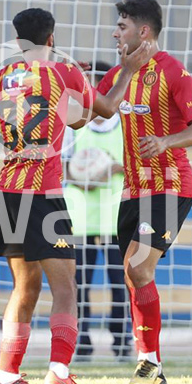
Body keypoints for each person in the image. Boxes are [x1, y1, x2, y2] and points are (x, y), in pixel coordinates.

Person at [0, 8, 150, 384]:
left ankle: (6, 376)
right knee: (65, 286)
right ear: (52, 38)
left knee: (24, 286)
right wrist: (128, 70)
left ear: (17, 42)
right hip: (43, 194)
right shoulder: (64, 72)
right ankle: (59, 372)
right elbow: (106, 110)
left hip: (7, 192)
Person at [100, 0, 192, 384]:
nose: (115, 33)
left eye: (122, 27)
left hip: (169, 186)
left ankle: (148, 362)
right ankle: (152, 366)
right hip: (132, 191)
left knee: (139, 269)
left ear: (143, 32)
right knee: (132, 276)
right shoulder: (119, 74)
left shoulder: (174, 71)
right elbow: (94, 110)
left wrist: (166, 141)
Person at [63, 62, 131, 360]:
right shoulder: (74, 126)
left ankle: (122, 342)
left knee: (121, 284)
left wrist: (114, 168)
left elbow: (139, 164)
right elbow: (61, 164)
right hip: (80, 218)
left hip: (117, 217)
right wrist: (81, 176)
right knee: (80, 285)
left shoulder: (125, 125)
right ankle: (83, 343)